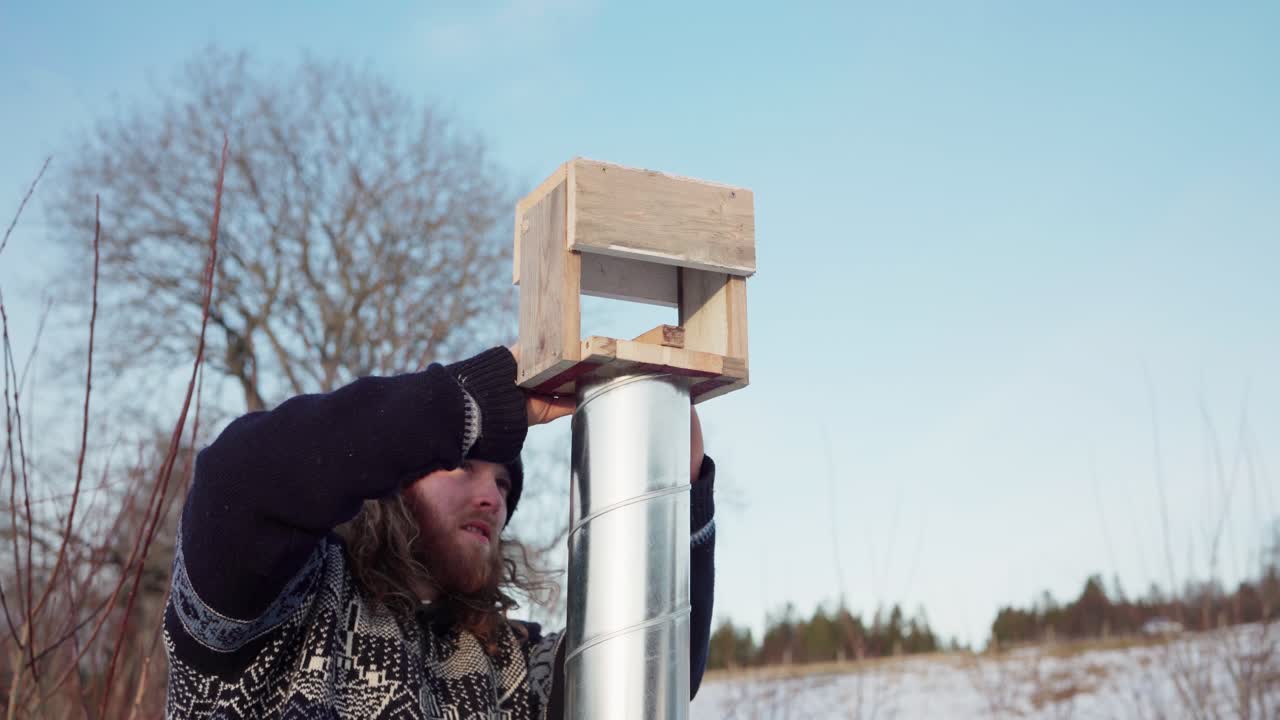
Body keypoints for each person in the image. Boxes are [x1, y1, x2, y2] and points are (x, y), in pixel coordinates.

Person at [163, 346, 718, 718]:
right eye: (463, 466)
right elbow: (236, 482)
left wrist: (678, 504)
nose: (491, 497)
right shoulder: (286, 606)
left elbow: (638, 678)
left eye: (503, 484)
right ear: (390, 482)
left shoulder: (507, 663)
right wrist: (475, 403)